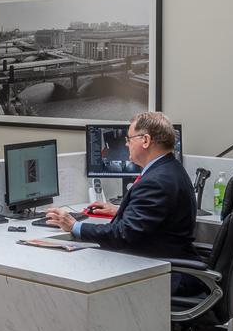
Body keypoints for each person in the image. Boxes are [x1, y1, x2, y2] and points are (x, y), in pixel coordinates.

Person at [45, 111, 198, 274]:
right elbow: (157, 217)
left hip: (162, 274)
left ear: (145, 140)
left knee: (73, 268)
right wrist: (122, 210)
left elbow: (122, 235)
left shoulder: (156, 181)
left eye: (129, 139)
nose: (126, 145)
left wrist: (74, 225)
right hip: (163, 261)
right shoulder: (170, 168)